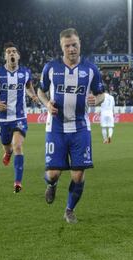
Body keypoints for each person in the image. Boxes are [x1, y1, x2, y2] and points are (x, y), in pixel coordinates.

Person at [37, 28, 105, 224]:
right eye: (67, 46)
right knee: (53, 173)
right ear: (62, 47)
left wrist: (96, 100)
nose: (72, 49)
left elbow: (101, 94)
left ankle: (69, 209)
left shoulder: (91, 69)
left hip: (81, 128)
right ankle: (52, 184)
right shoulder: (50, 67)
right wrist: (47, 104)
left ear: (80, 44)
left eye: (74, 44)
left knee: (78, 175)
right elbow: (41, 92)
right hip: (55, 128)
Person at [0, 42, 39, 193]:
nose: (12, 54)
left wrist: (33, 95)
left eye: (14, 51)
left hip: (20, 116)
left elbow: (28, 86)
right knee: (8, 146)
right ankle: (7, 153)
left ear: (18, 55)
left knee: (18, 146)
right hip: (2, 118)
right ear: (5, 56)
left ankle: (18, 182)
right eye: (8, 52)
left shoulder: (25, 72)